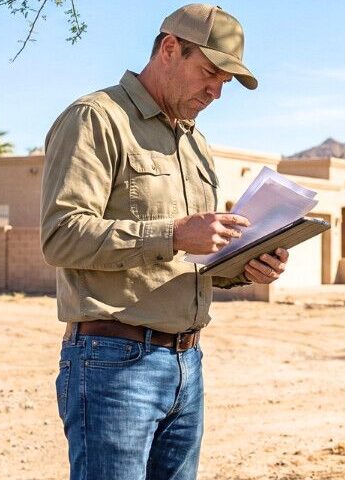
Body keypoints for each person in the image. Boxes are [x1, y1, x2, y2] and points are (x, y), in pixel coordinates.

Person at [39, 4, 288, 479]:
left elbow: (195, 256)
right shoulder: (96, 119)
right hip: (113, 366)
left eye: (225, 83)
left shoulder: (195, 142)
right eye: (210, 73)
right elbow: (60, 235)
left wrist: (247, 265)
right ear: (170, 49)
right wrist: (172, 234)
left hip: (186, 365)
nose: (216, 91)